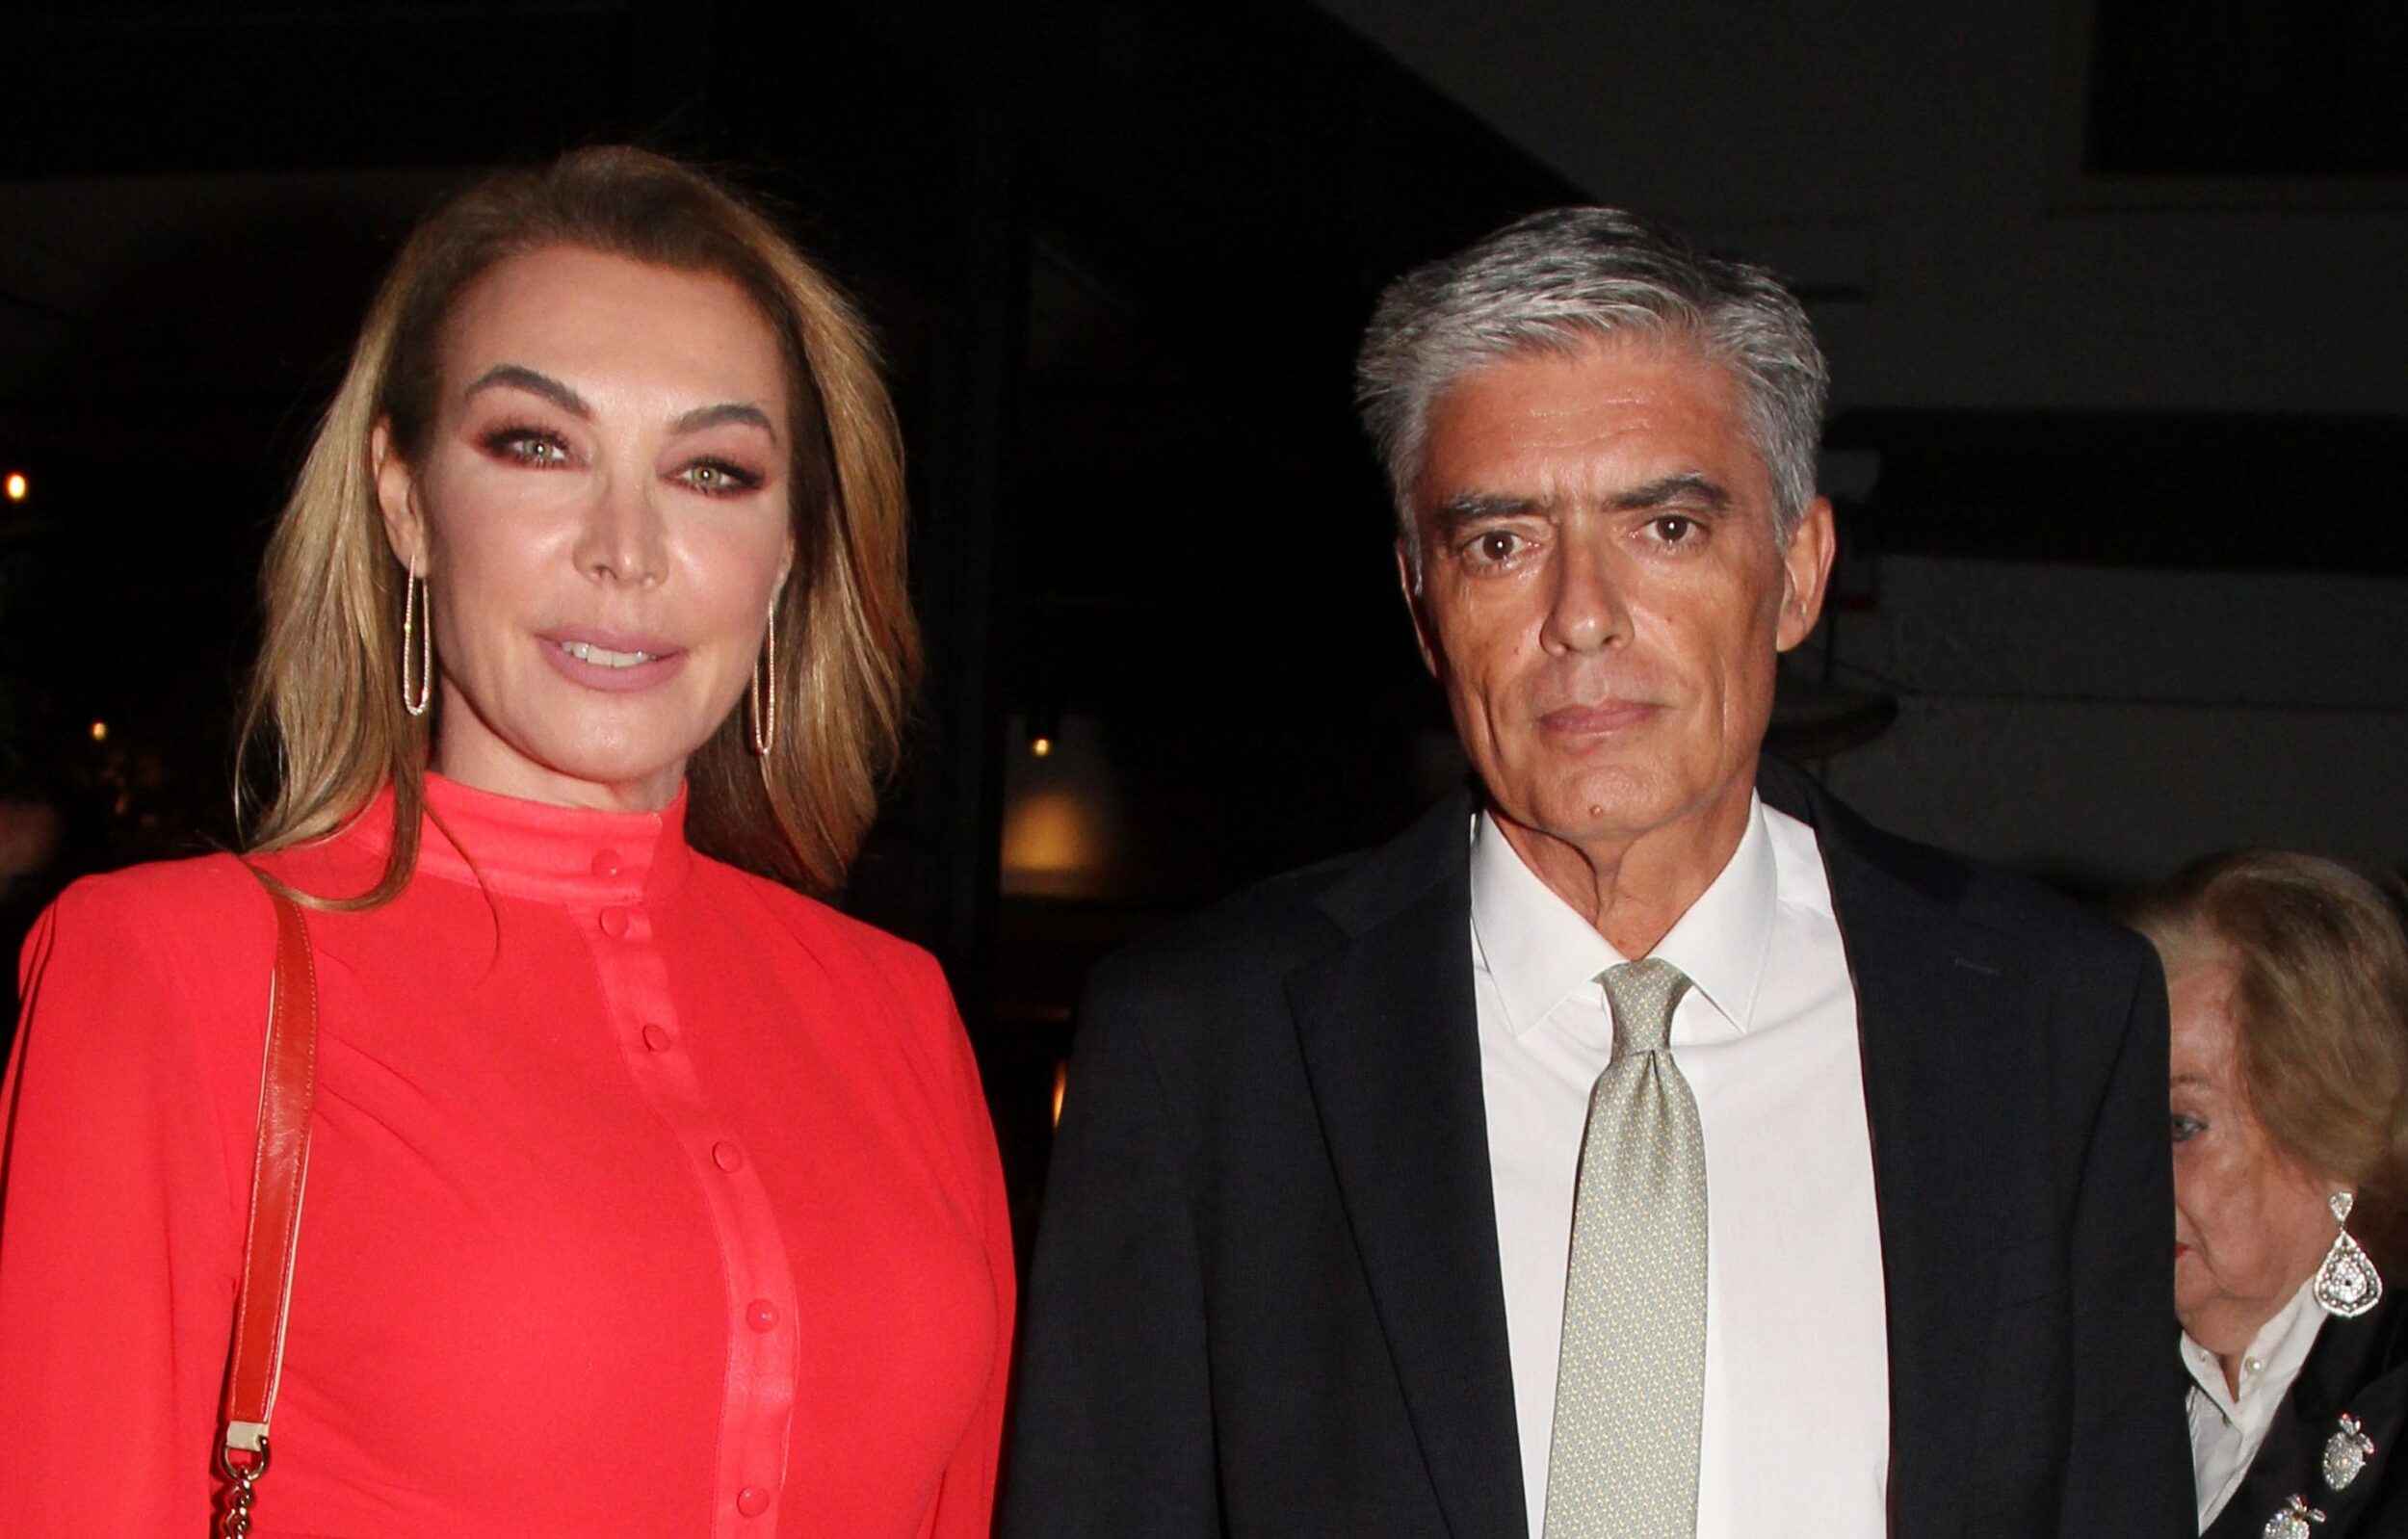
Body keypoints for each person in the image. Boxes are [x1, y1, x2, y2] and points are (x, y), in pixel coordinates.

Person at [1002, 208, 2193, 1539]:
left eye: (1665, 527)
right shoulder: (1207, 1048)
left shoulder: (2044, 1015)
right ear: (1421, 604)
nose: (1580, 615)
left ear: (1799, 572)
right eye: (1500, 543)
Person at [0, 147, 1012, 1537]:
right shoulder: (175, 971)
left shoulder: (898, 1015)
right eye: (539, 446)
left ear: (786, 552)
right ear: (405, 501)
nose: (626, 549)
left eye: (713, 471)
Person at [2122, 850, 2408, 1539]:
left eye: (2180, 1126)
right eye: (2113, 1125)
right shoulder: (2103, 1387)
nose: (2129, 1173)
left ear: (2332, 1125)